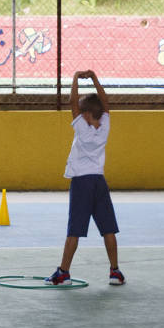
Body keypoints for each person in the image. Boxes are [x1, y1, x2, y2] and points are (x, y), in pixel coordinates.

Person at [48, 69, 124, 286]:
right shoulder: (105, 126)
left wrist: (75, 77)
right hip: (99, 182)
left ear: (87, 114)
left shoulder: (83, 128)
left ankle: (63, 273)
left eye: (82, 112)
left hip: (82, 183)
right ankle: (115, 272)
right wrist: (93, 78)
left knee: (74, 231)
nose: (78, 113)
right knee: (108, 229)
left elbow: (72, 102)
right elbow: (105, 102)